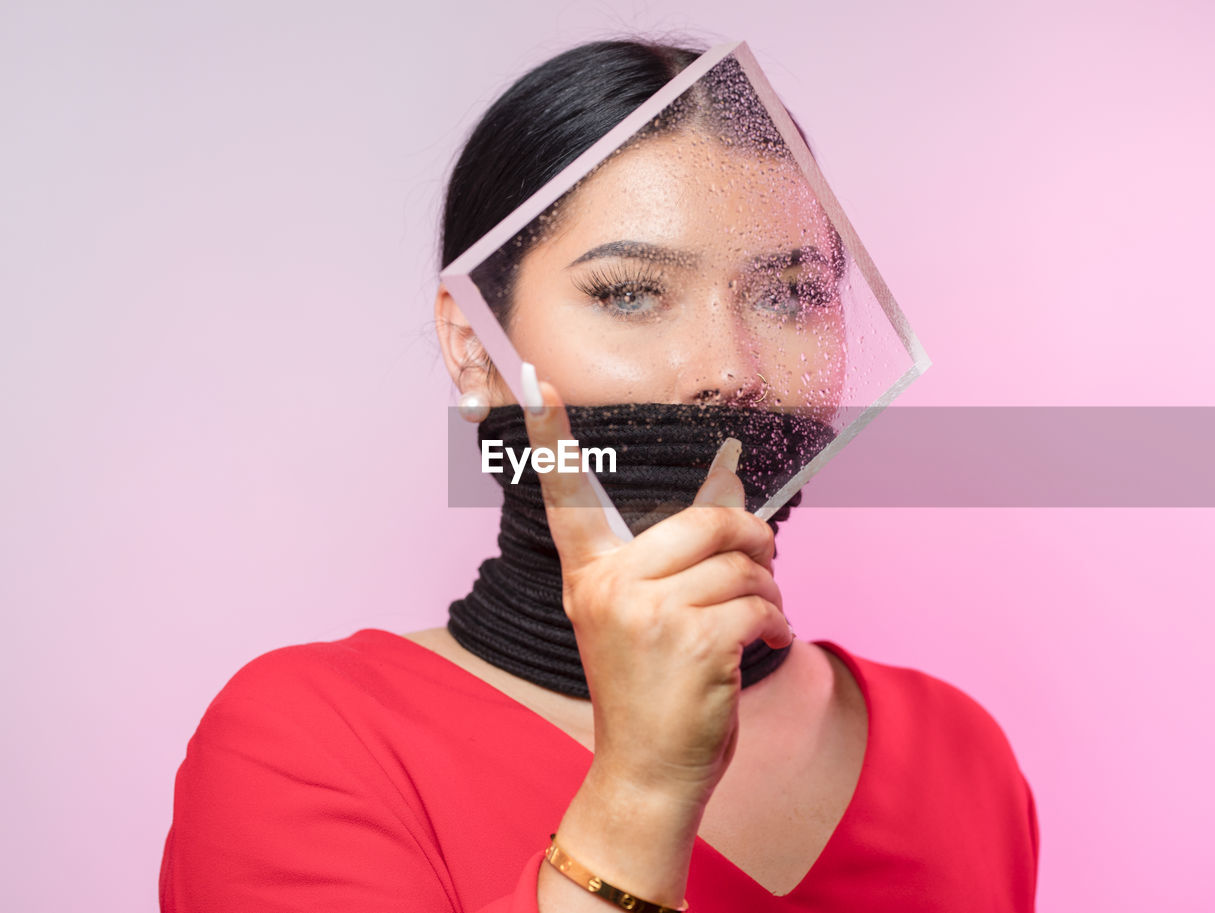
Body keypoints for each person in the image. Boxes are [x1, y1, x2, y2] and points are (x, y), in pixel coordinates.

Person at [160, 38, 1039, 912]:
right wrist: (643, 791)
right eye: (629, 292)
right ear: (474, 347)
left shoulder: (958, 754)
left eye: (789, 295)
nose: (727, 368)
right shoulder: (307, 741)